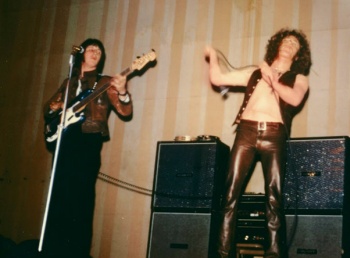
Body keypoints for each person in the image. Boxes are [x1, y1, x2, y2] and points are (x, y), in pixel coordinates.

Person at [205, 28, 312, 258]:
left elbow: (294, 98)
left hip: (275, 136)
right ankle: (223, 253)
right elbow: (217, 78)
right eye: (286, 40)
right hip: (246, 132)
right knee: (230, 194)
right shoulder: (255, 72)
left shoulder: (299, 79)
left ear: (298, 55)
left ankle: (273, 254)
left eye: (295, 43)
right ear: (277, 44)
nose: (289, 44)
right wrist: (213, 56)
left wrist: (272, 78)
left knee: (274, 197)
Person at [42, 38, 132, 258]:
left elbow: (125, 112)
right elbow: (48, 109)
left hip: (88, 142)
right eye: (91, 48)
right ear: (81, 54)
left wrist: (122, 92)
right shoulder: (68, 82)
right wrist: (58, 106)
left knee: (81, 201)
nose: (96, 52)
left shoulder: (105, 83)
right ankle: (54, 251)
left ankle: (78, 252)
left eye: (99, 51)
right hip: (65, 142)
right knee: (59, 197)